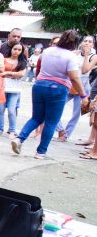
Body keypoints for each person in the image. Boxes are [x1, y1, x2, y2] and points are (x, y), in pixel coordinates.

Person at [12, 30, 86, 159]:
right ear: (75, 43)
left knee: (36, 117)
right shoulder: (70, 56)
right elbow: (74, 77)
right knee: (51, 121)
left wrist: (39, 81)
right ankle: (41, 152)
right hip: (58, 88)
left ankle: (19, 139)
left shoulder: (47, 51)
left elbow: (38, 68)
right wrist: (83, 95)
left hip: (40, 85)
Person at [56, 35, 97, 142]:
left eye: (90, 42)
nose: (87, 43)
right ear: (81, 43)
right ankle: (60, 130)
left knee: (77, 113)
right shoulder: (74, 54)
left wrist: (87, 55)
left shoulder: (94, 56)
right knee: (55, 107)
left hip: (84, 88)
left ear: (93, 44)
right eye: (85, 41)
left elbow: (84, 70)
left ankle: (66, 135)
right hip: (70, 85)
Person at [0, 41, 24, 137]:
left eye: (19, 50)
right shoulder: (3, 60)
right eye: (15, 49)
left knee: (12, 110)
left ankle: (12, 130)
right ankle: (0, 129)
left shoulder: (22, 62)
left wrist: (7, 73)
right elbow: (0, 72)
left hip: (15, 89)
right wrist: (13, 74)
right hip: (2, 87)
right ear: (11, 49)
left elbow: (21, 74)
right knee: (0, 109)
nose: (16, 51)